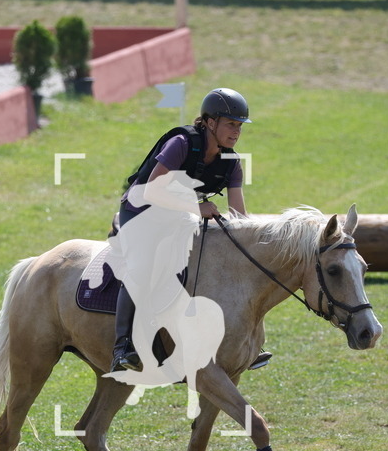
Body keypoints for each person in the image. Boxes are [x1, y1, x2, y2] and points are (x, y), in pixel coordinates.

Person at [109, 87, 271, 373]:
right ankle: (123, 347)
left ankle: (246, 343)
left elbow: (239, 215)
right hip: (140, 211)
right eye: (231, 124)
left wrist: (255, 242)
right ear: (210, 122)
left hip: (177, 215)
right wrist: (198, 208)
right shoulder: (182, 143)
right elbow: (154, 190)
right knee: (143, 266)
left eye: (240, 126)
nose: (237, 132)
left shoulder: (231, 162)